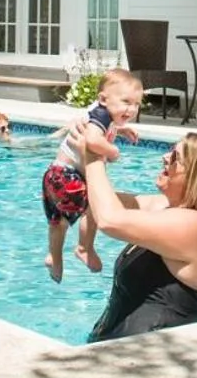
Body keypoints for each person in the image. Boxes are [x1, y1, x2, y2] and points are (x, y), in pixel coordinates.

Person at [72, 126, 197, 342]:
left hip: (150, 361)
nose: (165, 157)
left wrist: (93, 155)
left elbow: (109, 219)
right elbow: (93, 201)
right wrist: (96, 142)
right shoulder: (166, 208)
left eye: (176, 157)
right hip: (118, 351)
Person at [41, 69, 143, 282]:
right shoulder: (101, 115)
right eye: (126, 102)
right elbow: (93, 141)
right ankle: (84, 247)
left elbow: (101, 129)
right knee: (96, 206)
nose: (132, 109)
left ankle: (54, 257)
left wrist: (122, 130)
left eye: (136, 104)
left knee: (57, 222)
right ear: (103, 99)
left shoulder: (104, 115)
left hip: (55, 174)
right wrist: (112, 151)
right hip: (71, 178)